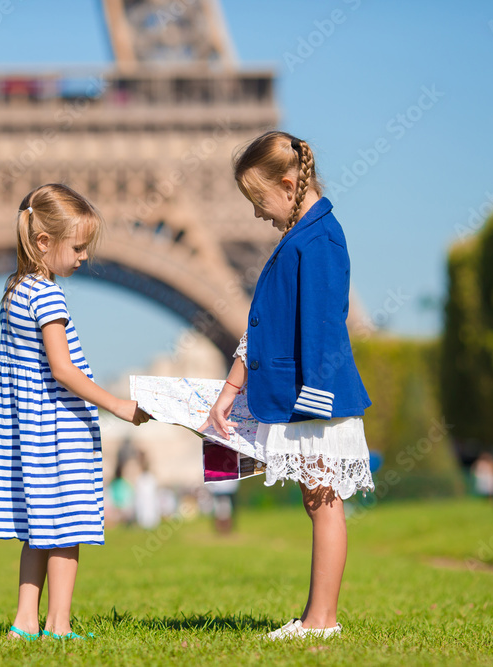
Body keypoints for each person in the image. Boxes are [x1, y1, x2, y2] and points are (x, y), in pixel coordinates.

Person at [202, 131, 374, 640]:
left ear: (288, 181)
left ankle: (323, 621)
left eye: (258, 200)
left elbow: (324, 323)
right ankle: (315, 616)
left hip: (314, 398)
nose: (256, 213)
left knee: (324, 502)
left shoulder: (320, 237)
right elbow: (267, 325)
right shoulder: (302, 235)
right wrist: (232, 388)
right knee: (317, 502)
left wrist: (313, 404)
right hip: (302, 394)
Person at [0, 183, 150, 642]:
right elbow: (62, 368)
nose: (83, 257)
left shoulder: (14, 291)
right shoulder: (48, 297)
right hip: (58, 431)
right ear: (43, 242)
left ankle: (25, 621)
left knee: (39, 530)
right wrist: (116, 403)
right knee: (68, 526)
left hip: (27, 430)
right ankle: (59, 624)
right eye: (77, 247)